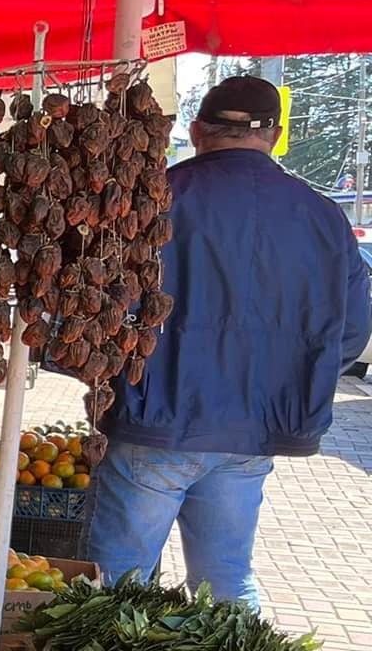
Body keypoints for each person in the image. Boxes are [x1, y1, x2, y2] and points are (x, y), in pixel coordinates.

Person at [87, 76, 371, 606]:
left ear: (196, 132)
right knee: (226, 580)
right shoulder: (323, 216)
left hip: (155, 420)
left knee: (118, 585)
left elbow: (99, 314)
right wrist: (283, 382)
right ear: (276, 135)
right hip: (252, 434)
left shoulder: (154, 200)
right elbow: (352, 330)